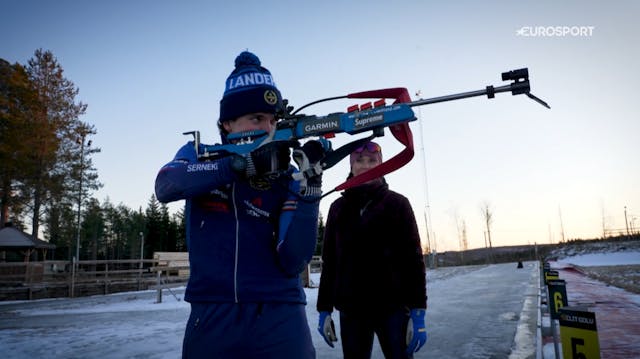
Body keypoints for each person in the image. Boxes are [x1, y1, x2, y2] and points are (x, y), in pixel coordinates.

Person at [155, 51, 324, 358]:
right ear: (228, 124)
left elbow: (293, 260)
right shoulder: (199, 153)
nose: (267, 128)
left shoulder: (285, 172)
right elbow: (166, 185)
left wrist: (309, 189)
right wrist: (235, 167)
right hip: (212, 316)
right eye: (256, 118)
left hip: (280, 315)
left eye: (273, 120)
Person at [316, 141, 427, 359]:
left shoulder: (398, 204)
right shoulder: (337, 208)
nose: (365, 165)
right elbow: (330, 261)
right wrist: (324, 309)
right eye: (359, 161)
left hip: (393, 308)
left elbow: (413, 260)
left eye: (371, 160)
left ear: (382, 164)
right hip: (352, 310)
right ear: (351, 165)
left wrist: (418, 311)